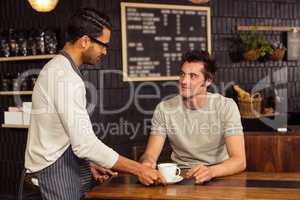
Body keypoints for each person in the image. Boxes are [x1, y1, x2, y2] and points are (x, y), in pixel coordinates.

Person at [24, 8, 165, 200]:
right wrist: (138, 169)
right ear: (84, 41)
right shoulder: (65, 77)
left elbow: (61, 134)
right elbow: (85, 145)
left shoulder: (60, 69)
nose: (105, 51)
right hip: (52, 176)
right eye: (103, 45)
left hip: (59, 169)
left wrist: (89, 163)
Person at [140, 50, 246, 184]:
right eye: (182, 74)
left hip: (220, 174)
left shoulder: (226, 107)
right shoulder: (164, 109)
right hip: (181, 176)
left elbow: (239, 161)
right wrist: (146, 165)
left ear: (208, 81)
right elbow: (150, 154)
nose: (184, 81)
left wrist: (211, 171)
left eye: (193, 76)